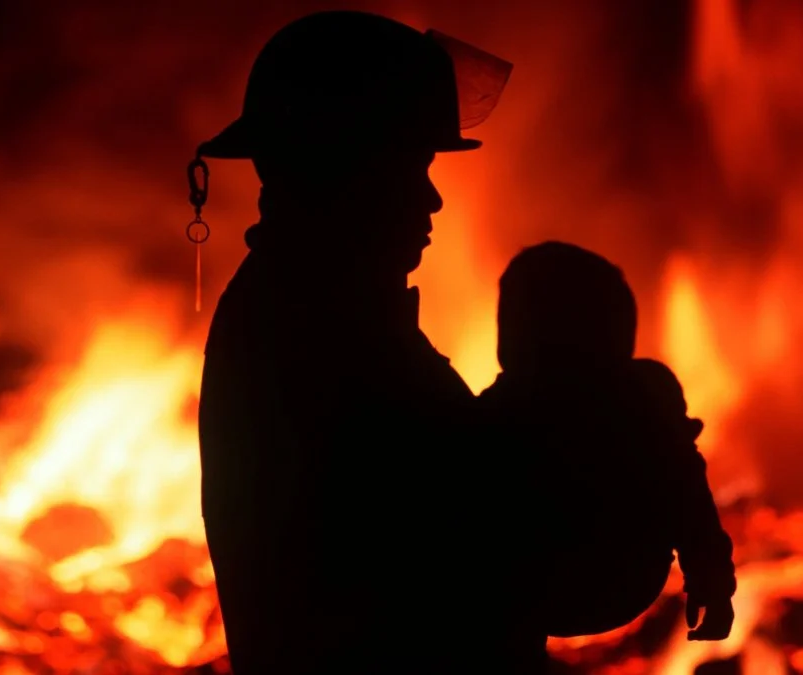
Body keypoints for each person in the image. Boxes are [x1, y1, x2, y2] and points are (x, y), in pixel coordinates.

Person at [193, 11, 537, 673]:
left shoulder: (318, 312)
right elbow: (455, 535)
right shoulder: (319, 336)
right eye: (413, 167)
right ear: (345, 171)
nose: (433, 200)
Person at [479, 241, 738, 640]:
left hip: (534, 592)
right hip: (622, 583)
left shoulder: (495, 413)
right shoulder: (648, 395)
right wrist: (713, 581)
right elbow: (688, 495)